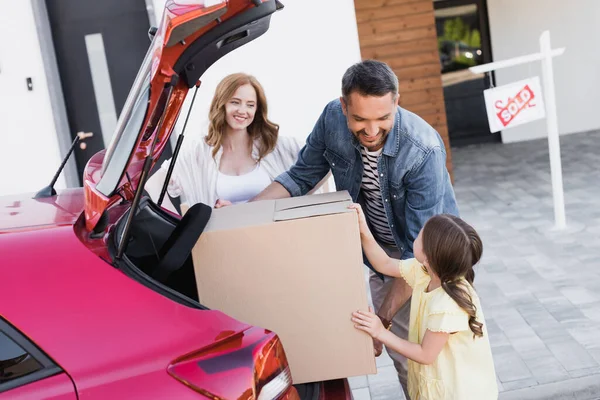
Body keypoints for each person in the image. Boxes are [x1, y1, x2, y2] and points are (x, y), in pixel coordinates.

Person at [250, 59, 459, 396]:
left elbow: (418, 258)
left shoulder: (423, 149)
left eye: (383, 119)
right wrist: (245, 214)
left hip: (430, 256)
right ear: (344, 105)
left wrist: (382, 322)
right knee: (402, 354)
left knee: (432, 356)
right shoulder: (331, 119)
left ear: (396, 102)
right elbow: (301, 176)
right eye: (360, 120)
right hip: (379, 250)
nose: (372, 131)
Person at [350, 204, 498, 400]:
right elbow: (384, 263)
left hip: (458, 393)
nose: (417, 231)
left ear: (429, 256)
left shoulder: (447, 304)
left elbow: (425, 354)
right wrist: (363, 228)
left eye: (422, 234)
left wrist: (379, 332)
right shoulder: (425, 272)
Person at [146, 72, 325, 213]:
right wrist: (178, 226)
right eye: (235, 102)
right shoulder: (198, 152)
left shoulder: (275, 145)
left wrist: (302, 196)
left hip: (275, 241)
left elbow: (321, 160)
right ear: (221, 104)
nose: (242, 110)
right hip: (224, 247)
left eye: (250, 105)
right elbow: (153, 184)